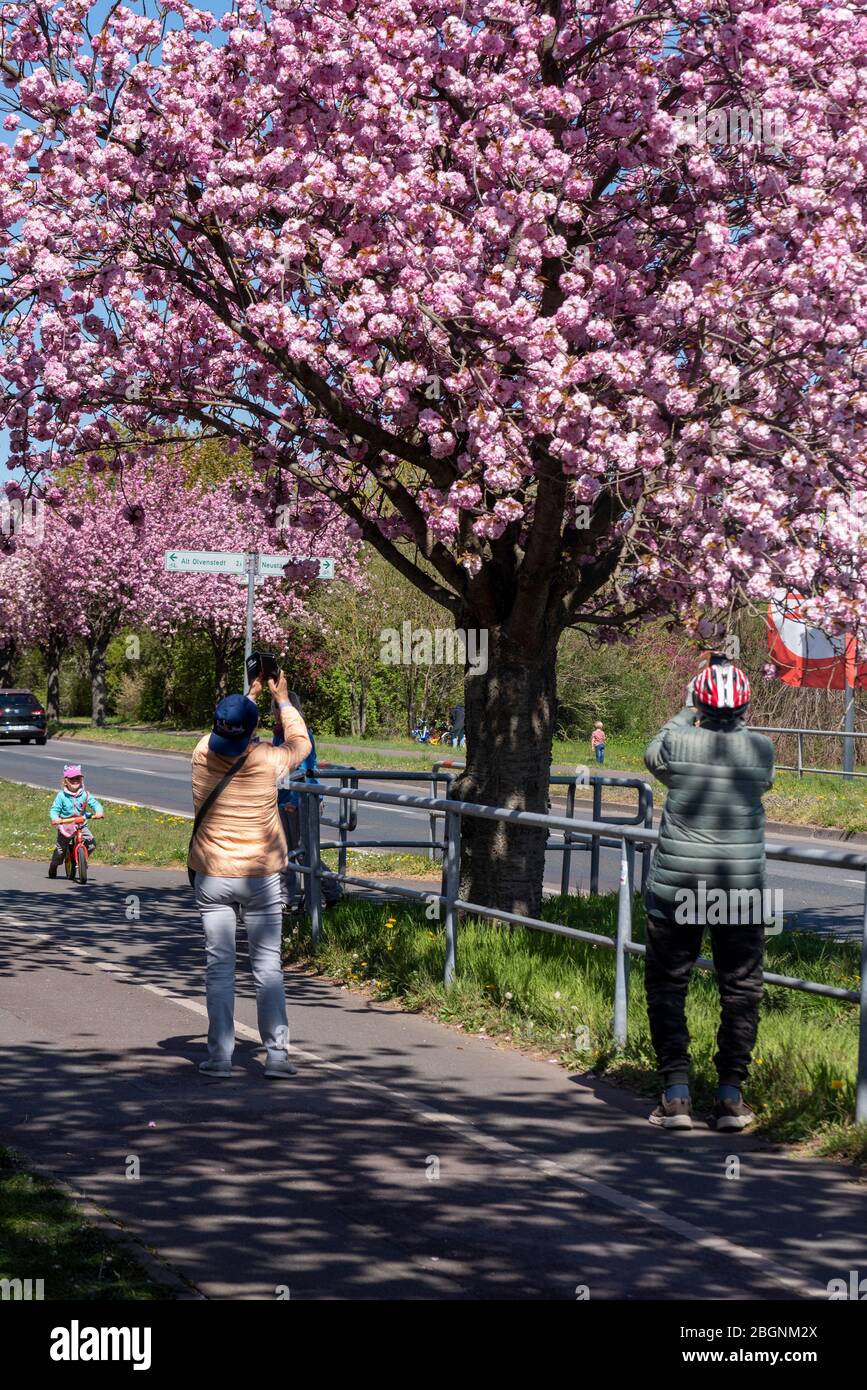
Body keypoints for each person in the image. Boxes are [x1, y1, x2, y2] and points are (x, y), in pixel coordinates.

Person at [642, 663, 775, 1133]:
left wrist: (684, 712)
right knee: (740, 989)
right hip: (740, 895)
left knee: (668, 984)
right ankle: (730, 1098)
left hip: (677, 891)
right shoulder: (762, 749)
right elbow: (764, 781)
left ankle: (676, 1094)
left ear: (698, 702)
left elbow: (652, 754)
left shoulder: (677, 743)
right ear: (744, 705)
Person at [189, 670, 311, 1080]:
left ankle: (220, 1057)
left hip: (213, 876)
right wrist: (282, 699)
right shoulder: (268, 759)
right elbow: (301, 744)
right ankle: (276, 1055)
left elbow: (229, 726)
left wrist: (249, 695)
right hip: (261, 876)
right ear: (253, 730)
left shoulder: (202, 752)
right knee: (267, 967)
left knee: (219, 965)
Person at [273, 690, 341, 911]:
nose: (274, 713)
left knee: (303, 852)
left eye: (277, 707)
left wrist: (292, 797)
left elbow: (301, 769)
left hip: (300, 799)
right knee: (286, 852)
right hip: (284, 798)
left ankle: (331, 891)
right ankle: (286, 899)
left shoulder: (299, 733)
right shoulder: (279, 732)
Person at [48, 764, 104, 877]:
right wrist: (56, 819)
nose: (75, 781)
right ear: (65, 781)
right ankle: (54, 865)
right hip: (66, 826)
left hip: (81, 825)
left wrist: (99, 812)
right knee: (60, 851)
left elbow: (95, 804)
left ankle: (81, 859)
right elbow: (54, 810)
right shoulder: (61, 796)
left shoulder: (85, 794)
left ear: (81, 780)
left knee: (91, 843)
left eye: (77, 778)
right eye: (72, 779)